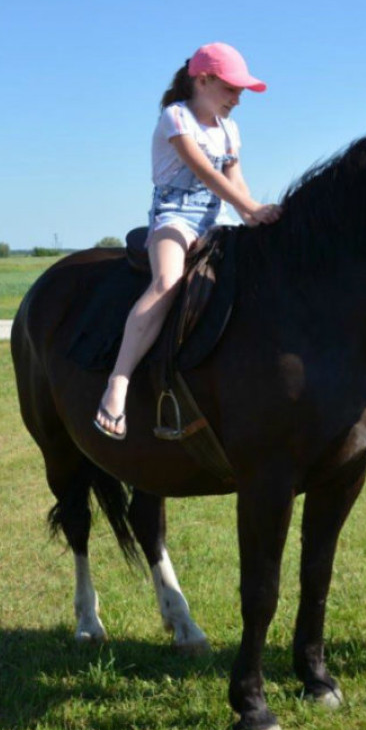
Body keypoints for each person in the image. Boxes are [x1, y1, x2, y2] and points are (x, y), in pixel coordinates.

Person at [94, 42, 281, 440]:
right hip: (175, 218)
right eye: (232, 89)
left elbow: (235, 181)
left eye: (241, 91)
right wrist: (249, 206)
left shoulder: (229, 130)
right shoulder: (175, 117)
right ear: (203, 79)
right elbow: (206, 173)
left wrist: (255, 216)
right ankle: (120, 382)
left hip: (218, 218)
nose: (238, 99)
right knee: (167, 282)